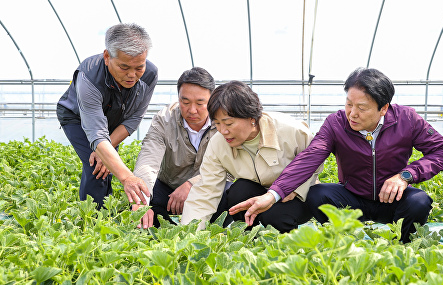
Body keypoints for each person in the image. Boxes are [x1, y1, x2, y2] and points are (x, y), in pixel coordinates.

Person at [231, 68, 443, 243]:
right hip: (353, 198)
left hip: (391, 199)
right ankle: (345, 242)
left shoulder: (407, 119)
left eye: (362, 108)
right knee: (318, 194)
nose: (352, 114)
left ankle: (405, 246)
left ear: (384, 108)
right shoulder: (336, 123)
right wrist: (274, 194)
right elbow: (310, 158)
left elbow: (442, 152)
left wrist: (406, 175)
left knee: (419, 201)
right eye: (349, 104)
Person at [180, 80, 320, 232]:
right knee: (239, 191)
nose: (222, 131)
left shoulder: (291, 130)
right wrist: (189, 233)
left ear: (251, 118)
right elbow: (206, 191)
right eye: (217, 123)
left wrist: (293, 189)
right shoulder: (218, 144)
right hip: (258, 193)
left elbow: (315, 161)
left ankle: (287, 244)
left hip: (294, 196)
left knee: (273, 216)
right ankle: (248, 236)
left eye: (228, 123)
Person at [57, 23, 158, 208]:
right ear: (107, 57)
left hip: (114, 119)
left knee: (108, 164)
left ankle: (106, 215)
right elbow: (96, 132)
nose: (132, 75)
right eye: (124, 67)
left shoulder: (150, 74)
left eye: (139, 68)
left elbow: (134, 118)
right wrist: (127, 177)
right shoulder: (89, 77)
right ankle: (93, 222)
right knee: (96, 166)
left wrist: (107, 152)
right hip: (77, 117)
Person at [132, 67, 227, 228]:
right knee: (145, 200)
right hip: (169, 189)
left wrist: (192, 185)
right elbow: (148, 160)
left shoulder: (224, 121)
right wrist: (142, 200)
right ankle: (169, 227)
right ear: (178, 98)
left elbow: (229, 169)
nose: (192, 110)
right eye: (185, 102)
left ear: (211, 100)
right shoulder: (164, 120)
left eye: (200, 103)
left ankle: (204, 227)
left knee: (231, 193)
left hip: (209, 187)